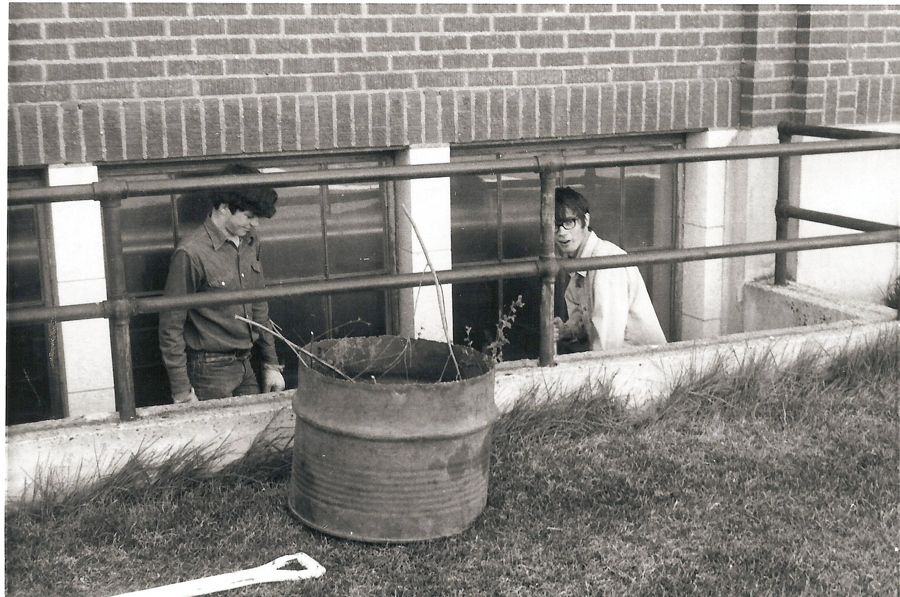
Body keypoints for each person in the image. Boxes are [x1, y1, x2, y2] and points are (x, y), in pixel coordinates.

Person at [159, 164, 286, 403]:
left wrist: (271, 364)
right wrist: (181, 391)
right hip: (208, 371)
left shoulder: (250, 241)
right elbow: (170, 326)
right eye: (249, 216)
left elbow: (258, 305)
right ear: (224, 207)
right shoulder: (191, 253)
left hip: (246, 365)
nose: (255, 224)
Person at [552, 186, 667, 352]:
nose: (561, 232)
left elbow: (608, 344)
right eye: (555, 224)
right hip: (623, 362)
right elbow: (586, 321)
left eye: (569, 222)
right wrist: (566, 330)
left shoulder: (604, 264)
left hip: (640, 363)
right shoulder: (580, 265)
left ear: (586, 220)